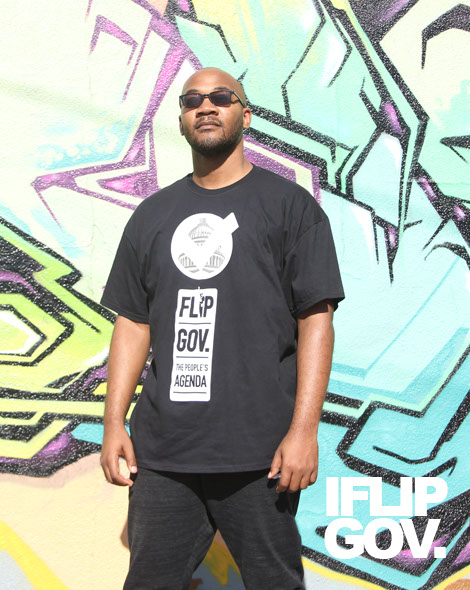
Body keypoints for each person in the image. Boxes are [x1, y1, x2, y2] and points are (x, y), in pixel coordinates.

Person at [100, 66, 344, 590]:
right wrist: (114, 422)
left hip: (260, 453)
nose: (206, 107)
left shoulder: (289, 207)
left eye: (221, 97)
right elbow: (133, 322)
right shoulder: (152, 215)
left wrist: (304, 431)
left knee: (275, 583)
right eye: (192, 100)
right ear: (181, 119)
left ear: (245, 115)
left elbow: (315, 321)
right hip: (163, 452)